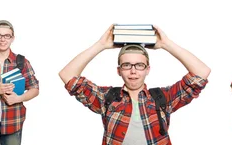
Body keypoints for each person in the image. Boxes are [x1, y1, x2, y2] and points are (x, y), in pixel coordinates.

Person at [58, 24, 210, 145]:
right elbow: (67, 75)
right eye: (126, 65)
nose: (133, 71)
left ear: (147, 69)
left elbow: (201, 73)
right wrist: (100, 45)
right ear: (119, 70)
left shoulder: (163, 98)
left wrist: (167, 44)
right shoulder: (107, 98)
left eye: (139, 65)